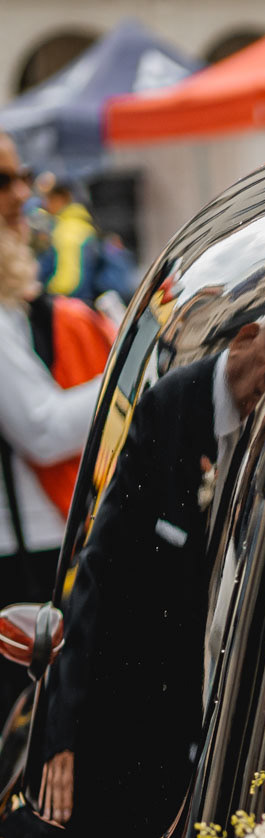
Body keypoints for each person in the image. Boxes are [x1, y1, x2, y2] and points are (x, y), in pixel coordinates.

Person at [38, 293, 265, 838]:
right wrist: (62, 731)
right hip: (134, 711)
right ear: (246, 337)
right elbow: (99, 570)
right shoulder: (169, 406)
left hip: (221, 710)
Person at [0, 134, 99, 714]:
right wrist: (128, 382)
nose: (21, 194)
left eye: (21, 176)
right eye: (3, 182)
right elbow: (39, 429)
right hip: (20, 559)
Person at [36, 177, 101, 305]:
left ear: (60, 199)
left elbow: (68, 278)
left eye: (48, 199)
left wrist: (49, 294)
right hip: (85, 302)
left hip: (72, 303)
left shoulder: (68, 229)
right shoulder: (81, 223)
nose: (45, 205)